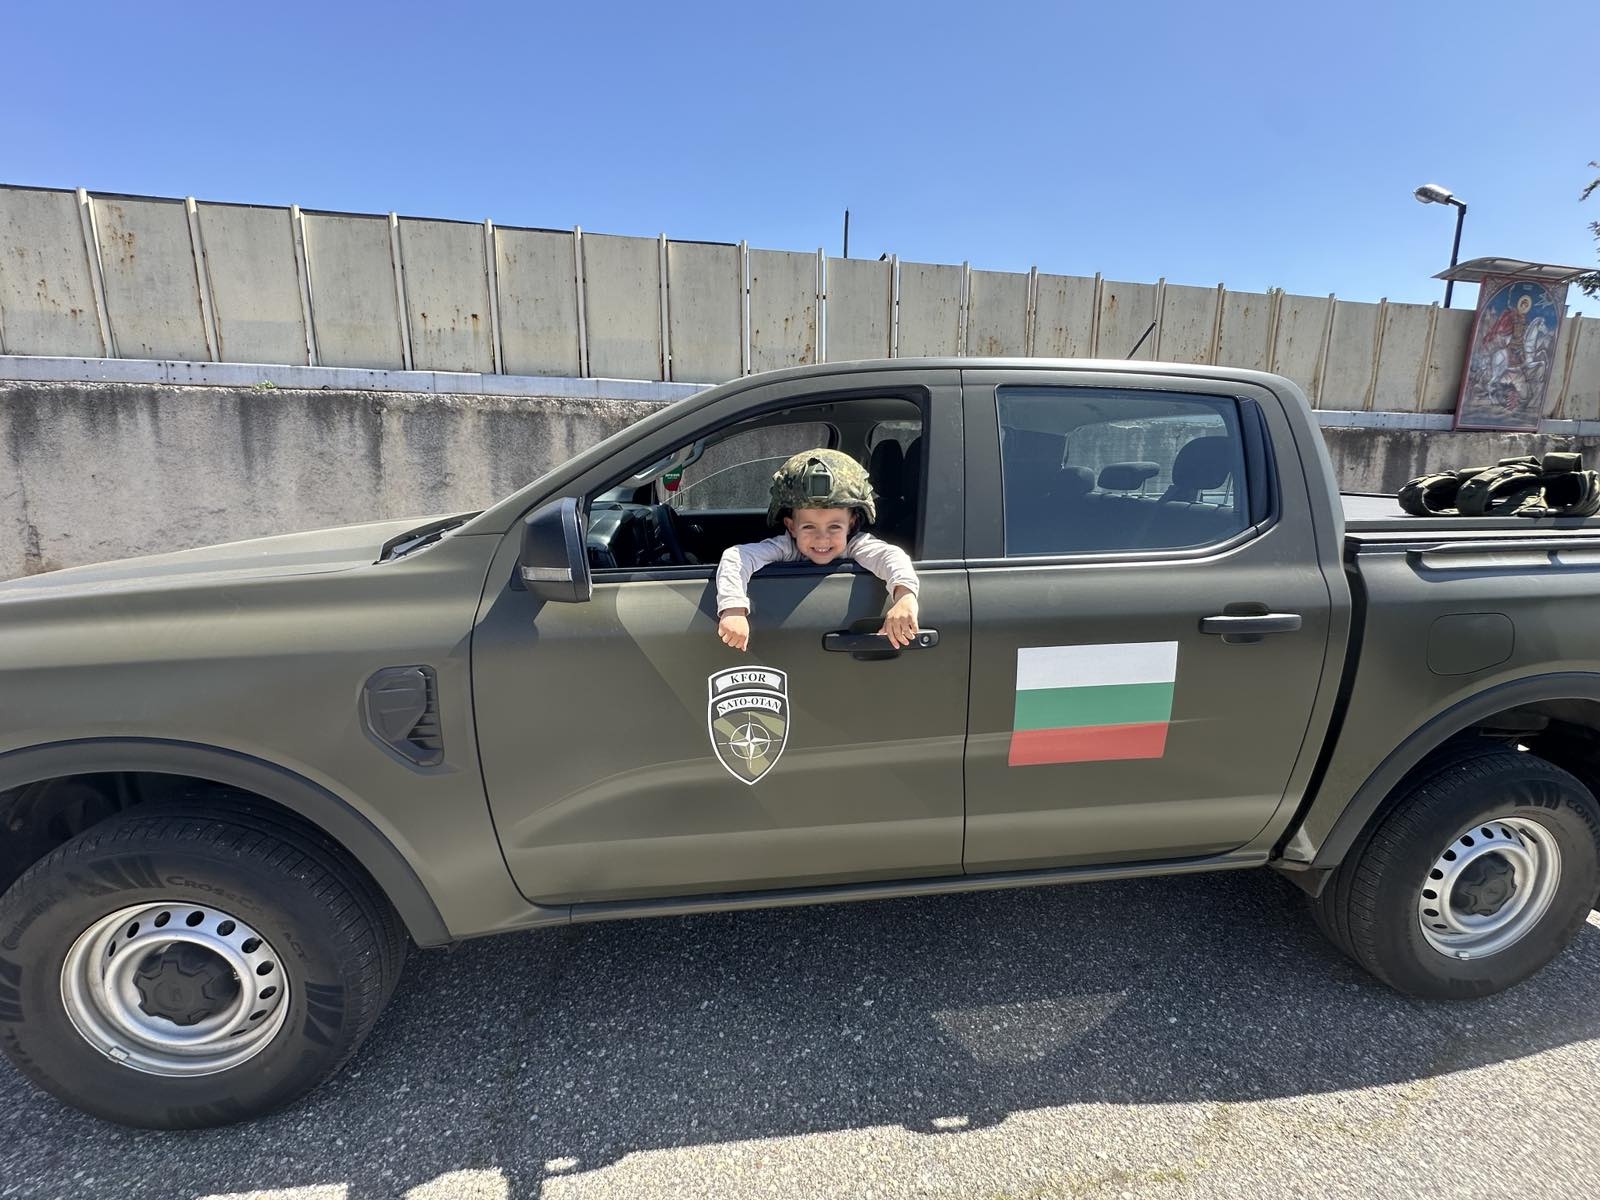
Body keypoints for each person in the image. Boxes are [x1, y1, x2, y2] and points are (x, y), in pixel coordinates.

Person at [715, 449, 920, 652]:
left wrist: (905, 596)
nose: (822, 538)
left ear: (851, 523)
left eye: (834, 527)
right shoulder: (787, 547)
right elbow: (737, 557)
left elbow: (890, 556)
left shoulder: (855, 545)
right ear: (791, 526)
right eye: (809, 527)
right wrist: (733, 609)